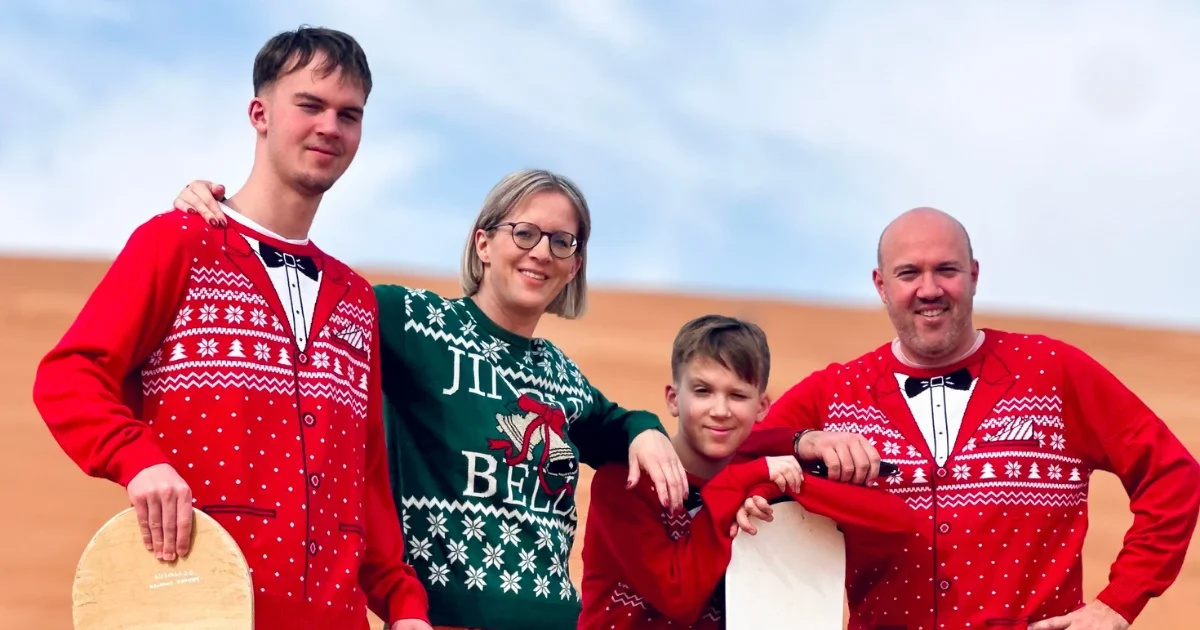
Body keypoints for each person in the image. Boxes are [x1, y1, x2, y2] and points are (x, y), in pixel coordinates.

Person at [32, 27, 434, 630]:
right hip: (195, 610)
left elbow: (366, 480)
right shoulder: (178, 243)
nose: (330, 126)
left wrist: (403, 607)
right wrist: (138, 460)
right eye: (310, 105)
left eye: (349, 114)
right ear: (260, 113)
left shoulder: (355, 299)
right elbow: (69, 376)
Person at [165, 170, 690, 630]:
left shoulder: (562, 375)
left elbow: (614, 424)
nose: (541, 252)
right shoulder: (410, 321)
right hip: (436, 617)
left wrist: (644, 428)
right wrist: (230, 219)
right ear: (483, 243)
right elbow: (295, 290)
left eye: (562, 242)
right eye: (524, 232)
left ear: (574, 267)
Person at [734, 207, 1200, 630]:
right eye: (909, 273)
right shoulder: (834, 393)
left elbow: (1172, 475)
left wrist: (1118, 603)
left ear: (973, 276)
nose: (930, 289)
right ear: (881, 285)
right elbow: (726, 460)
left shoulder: (1054, 372)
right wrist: (801, 442)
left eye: (947, 270)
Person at [577, 314, 922, 629]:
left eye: (738, 395)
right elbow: (678, 594)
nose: (720, 410)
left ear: (762, 407)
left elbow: (897, 523)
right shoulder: (625, 480)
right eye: (702, 391)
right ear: (672, 398)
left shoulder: (757, 471)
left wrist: (768, 484)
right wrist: (741, 482)